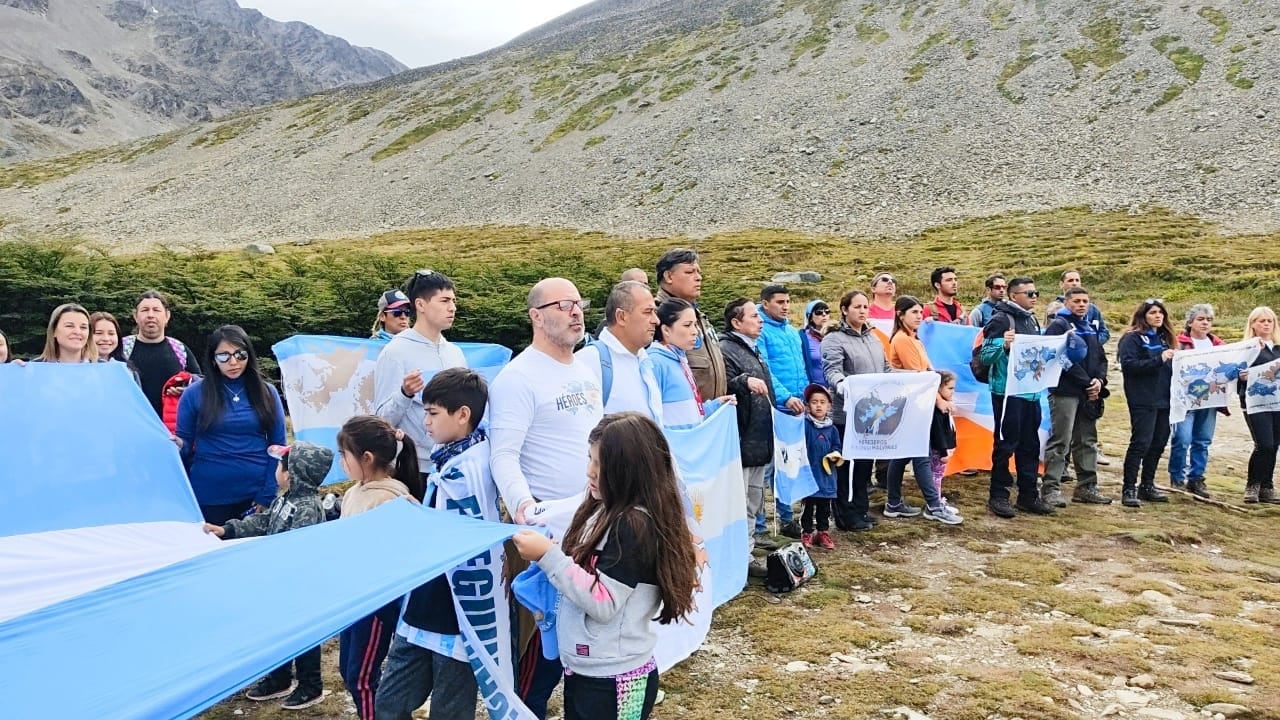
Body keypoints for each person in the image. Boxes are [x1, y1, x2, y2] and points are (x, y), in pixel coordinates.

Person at [511, 413, 697, 720]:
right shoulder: (604, 510)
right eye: (589, 459)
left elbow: (604, 602)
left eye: (600, 463)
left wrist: (549, 556)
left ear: (630, 469)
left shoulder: (633, 525)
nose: (590, 471)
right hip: (591, 673)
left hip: (614, 681)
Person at [489, 277, 603, 718]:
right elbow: (504, 454)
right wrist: (523, 507)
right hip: (548, 528)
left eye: (579, 303)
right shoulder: (518, 377)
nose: (576, 312)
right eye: (563, 305)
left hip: (593, 518)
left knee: (587, 628)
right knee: (540, 644)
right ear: (537, 316)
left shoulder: (586, 367)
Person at [376, 369, 492, 720]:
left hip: (459, 608)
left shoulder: (475, 467)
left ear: (462, 415)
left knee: (451, 710)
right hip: (424, 599)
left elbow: (466, 536)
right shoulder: (447, 458)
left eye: (432, 413)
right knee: (389, 702)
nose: (424, 422)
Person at [206, 442, 332, 711]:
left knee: (303, 637)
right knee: (278, 633)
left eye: (279, 465)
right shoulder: (285, 499)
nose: (276, 470)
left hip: (299, 588)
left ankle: (310, 686)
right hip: (279, 585)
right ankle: (279, 677)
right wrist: (228, 530)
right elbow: (264, 522)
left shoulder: (308, 508)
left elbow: (300, 550)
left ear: (291, 474)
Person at [334, 415, 423, 719]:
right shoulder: (353, 493)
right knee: (349, 671)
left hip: (375, 604)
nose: (341, 461)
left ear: (366, 458)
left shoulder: (391, 500)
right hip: (352, 599)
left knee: (362, 679)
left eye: (343, 455)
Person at [175, 325, 286, 524]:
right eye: (224, 356)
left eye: (240, 354)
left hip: (256, 494)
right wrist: (175, 445)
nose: (233, 362)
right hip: (209, 495)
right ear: (212, 359)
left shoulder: (267, 392)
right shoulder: (193, 394)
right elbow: (183, 445)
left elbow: (278, 446)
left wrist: (268, 492)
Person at [980, 277, 1056, 518]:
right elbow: (985, 355)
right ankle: (999, 495)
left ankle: (1027, 494)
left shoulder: (1032, 319)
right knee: (1005, 444)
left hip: (1031, 393)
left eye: (1036, 292)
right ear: (1014, 296)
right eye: (1029, 293)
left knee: (1030, 445)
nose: (1034, 296)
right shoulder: (1001, 318)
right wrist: (1003, 345)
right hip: (1007, 393)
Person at [374, 270, 466, 459]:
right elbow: (381, 421)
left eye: (453, 301)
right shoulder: (395, 352)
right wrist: (404, 393)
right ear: (421, 305)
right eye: (444, 301)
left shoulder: (455, 353)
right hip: (415, 466)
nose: (452, 308)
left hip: (455, 463)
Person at [885, 296, 961, 525]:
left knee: (902, 455)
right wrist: (939, 400)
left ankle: (894, 502)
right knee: (922, 455)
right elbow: (920, 378)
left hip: (919, 402)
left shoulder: (914, 340)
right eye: (914, 312)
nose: (920, 316)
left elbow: (928, 371)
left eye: (921, 312)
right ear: (901, 314)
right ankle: (934, 505)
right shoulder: (903, 340)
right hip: (915, 404)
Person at [821, 290, 889, 532]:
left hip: (872, 414)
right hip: (846, 414)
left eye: (865, 307)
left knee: (864, 465)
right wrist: (842, 385)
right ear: (844, 309)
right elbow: (832, 370)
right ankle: (845, 514)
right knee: (847, 466)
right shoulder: (834, 339)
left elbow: (885, 368)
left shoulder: (873, 338)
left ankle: (861, 508)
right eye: (857, 307)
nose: (862, 311)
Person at [718, 298, 776, 573]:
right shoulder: (726, 349)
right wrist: (743, 381)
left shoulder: (754, 349)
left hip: (760, 438)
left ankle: (747, 552)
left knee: (754, 500)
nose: (760, 319)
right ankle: (736, 558)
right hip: (741, 439)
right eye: (754, 315)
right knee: (739, 503)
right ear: (736, 322)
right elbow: (721, 385)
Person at [1042, 288, 1113, 506]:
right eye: (1076, 301)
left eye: (1085, 301)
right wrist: (1086, 382)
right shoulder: (1059, 326)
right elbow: (1059, 358)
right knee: (1061, 440)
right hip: (1065, 391)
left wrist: (1099, 381)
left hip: (1089, 392)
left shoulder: (1090, 327)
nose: (1082, 305)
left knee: (1087, 440)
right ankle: (1050, 489)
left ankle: (1087, 487)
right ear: (1066, 302)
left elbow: (1101, 357)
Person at [755, 284, 806, 538]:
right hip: (775, 406)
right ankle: (761, 525)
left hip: (796, 406)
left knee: (789, 463)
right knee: (767, 468)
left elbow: (801, 366)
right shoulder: (760, 331)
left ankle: (787, 516)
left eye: (788, 301)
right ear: (765, 304)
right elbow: (765, 369)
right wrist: (785, 396)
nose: (785, 306)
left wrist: (806, 393)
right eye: (779, 302)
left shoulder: (792, 331)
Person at [1117, 299, 1176, 508]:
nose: (1158, 316)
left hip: (1165, 399)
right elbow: (1130, 365)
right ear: (1143, 315)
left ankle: (1147, 484)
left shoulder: (1165, 338)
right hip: (1143, 398)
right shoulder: (1131, 338)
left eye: (1161, 313)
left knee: (1158, 443)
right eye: (1153, 312)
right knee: (1141, 443)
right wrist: (1159, 359)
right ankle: (1129, 487)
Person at [577, 280, 663, 422]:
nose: (656, 320)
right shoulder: (590, 361)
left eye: (654, 312)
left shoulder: (644, 360)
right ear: (621, 317)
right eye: (647, 312)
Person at [649, 297, 732, 429]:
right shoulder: (656, 362)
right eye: (687, 325)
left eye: (695, 325)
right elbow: (650, 417)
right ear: (666, 330)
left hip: (689, 445)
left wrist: (714, 406)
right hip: (672, 447)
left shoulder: (679, 359)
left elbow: (686, 413)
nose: (695, 332)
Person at [655, 249, 727, 401]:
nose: (698, 278)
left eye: (698, 272)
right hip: (680, 416)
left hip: (712, 413)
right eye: (689, 272)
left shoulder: (699, 316)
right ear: (668, 276)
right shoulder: (656, 316)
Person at [1170, 304, 1224, 498]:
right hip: (1185, 401)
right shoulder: (1178, 342)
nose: (1205, 323)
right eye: (1201, 319)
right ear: (1190, 322)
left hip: (1209, 401)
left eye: (1209, 320)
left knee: (1202, 440)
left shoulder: (1219, 345)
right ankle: (1177, 477)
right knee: (1182, 438)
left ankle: (1197, 478)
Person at [125, 290, 202, 418]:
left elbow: (200, 384)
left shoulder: (180, 350)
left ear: (167, 316)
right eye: (145, 310)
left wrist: (187, 392)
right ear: (135, 316)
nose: (150, 315)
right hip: (131, 426)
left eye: (156, 310)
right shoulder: (123, 349)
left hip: (171, 431)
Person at [1240, 307, 1280, 504]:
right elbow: (1232, 374)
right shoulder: (1248, 348)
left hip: (1277, 402)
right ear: (1253, 324)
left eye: (1269, 321)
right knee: (1263, 444)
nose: (1266, 324)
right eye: (1261, 320)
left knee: (1274, 445)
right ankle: (1252, 484)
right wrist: (1243, 376)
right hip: (1255, 403)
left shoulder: (1278, 348)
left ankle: (1267, 485)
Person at [800, 384, 840, 549]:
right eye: (814, 402)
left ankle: (823, 532)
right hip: (809, 475)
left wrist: (835, 455)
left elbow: (837, 447)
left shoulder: (833, 429)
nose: (818, 405)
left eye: (822, 402)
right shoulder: (805, 426)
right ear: (808, 406)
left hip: (827, 476)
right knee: (808, 505)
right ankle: (807, 531)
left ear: (828, 406)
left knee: (825, 506)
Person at [929, 371, 960, 516]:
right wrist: (943, 451)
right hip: (940, 451)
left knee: (938, 476)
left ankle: (937, 501)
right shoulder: (937, 411)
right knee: (936, 476)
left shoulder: (945, 406)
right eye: (950, 388)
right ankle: (935, 503)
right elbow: (938, 433)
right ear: (939, 388)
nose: (953, 392)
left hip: (945, 448)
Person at [1057, 270, 1111, 344]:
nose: (1074, 283)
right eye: (1070, 280)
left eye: (1077, 280)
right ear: (1061, 284)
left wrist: (1092, 343)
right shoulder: (1055, 308)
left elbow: (1104, 332)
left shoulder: (1093, 309)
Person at [800, 300, 830, 385]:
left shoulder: (835, 335)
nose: (824, 315)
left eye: (827, 312)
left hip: (836, 389)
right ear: (810, 317)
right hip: (815, 389)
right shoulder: (803, 337)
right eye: (818, 312)